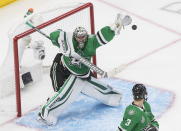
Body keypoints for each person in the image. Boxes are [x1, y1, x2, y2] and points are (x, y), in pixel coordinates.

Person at [37, 13, 132, 125]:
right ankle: (47, 114)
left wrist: (113, 28)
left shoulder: (91, 42)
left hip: (82, 73)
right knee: (62, 93)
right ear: (74, 37)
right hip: (62, 68)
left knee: (88, 85)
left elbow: (101, 37)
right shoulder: (67, 39)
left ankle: (113, 97)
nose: (81, 40)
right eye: (79, 37)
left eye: (83, 37)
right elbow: (55, 34)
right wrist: (60, 41)